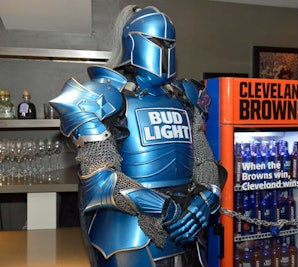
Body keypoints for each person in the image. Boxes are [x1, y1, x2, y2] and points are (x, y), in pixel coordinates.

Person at [50, 5, 225, 267]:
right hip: (128, 239)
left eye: (170, 44)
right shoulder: (103, 95)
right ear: (134, 42)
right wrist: (166, 209)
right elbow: (100, 180)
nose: (164, 50)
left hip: (188, 233)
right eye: (157, 42)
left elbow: (204, 161)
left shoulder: (184, 97)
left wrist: (206, 197)